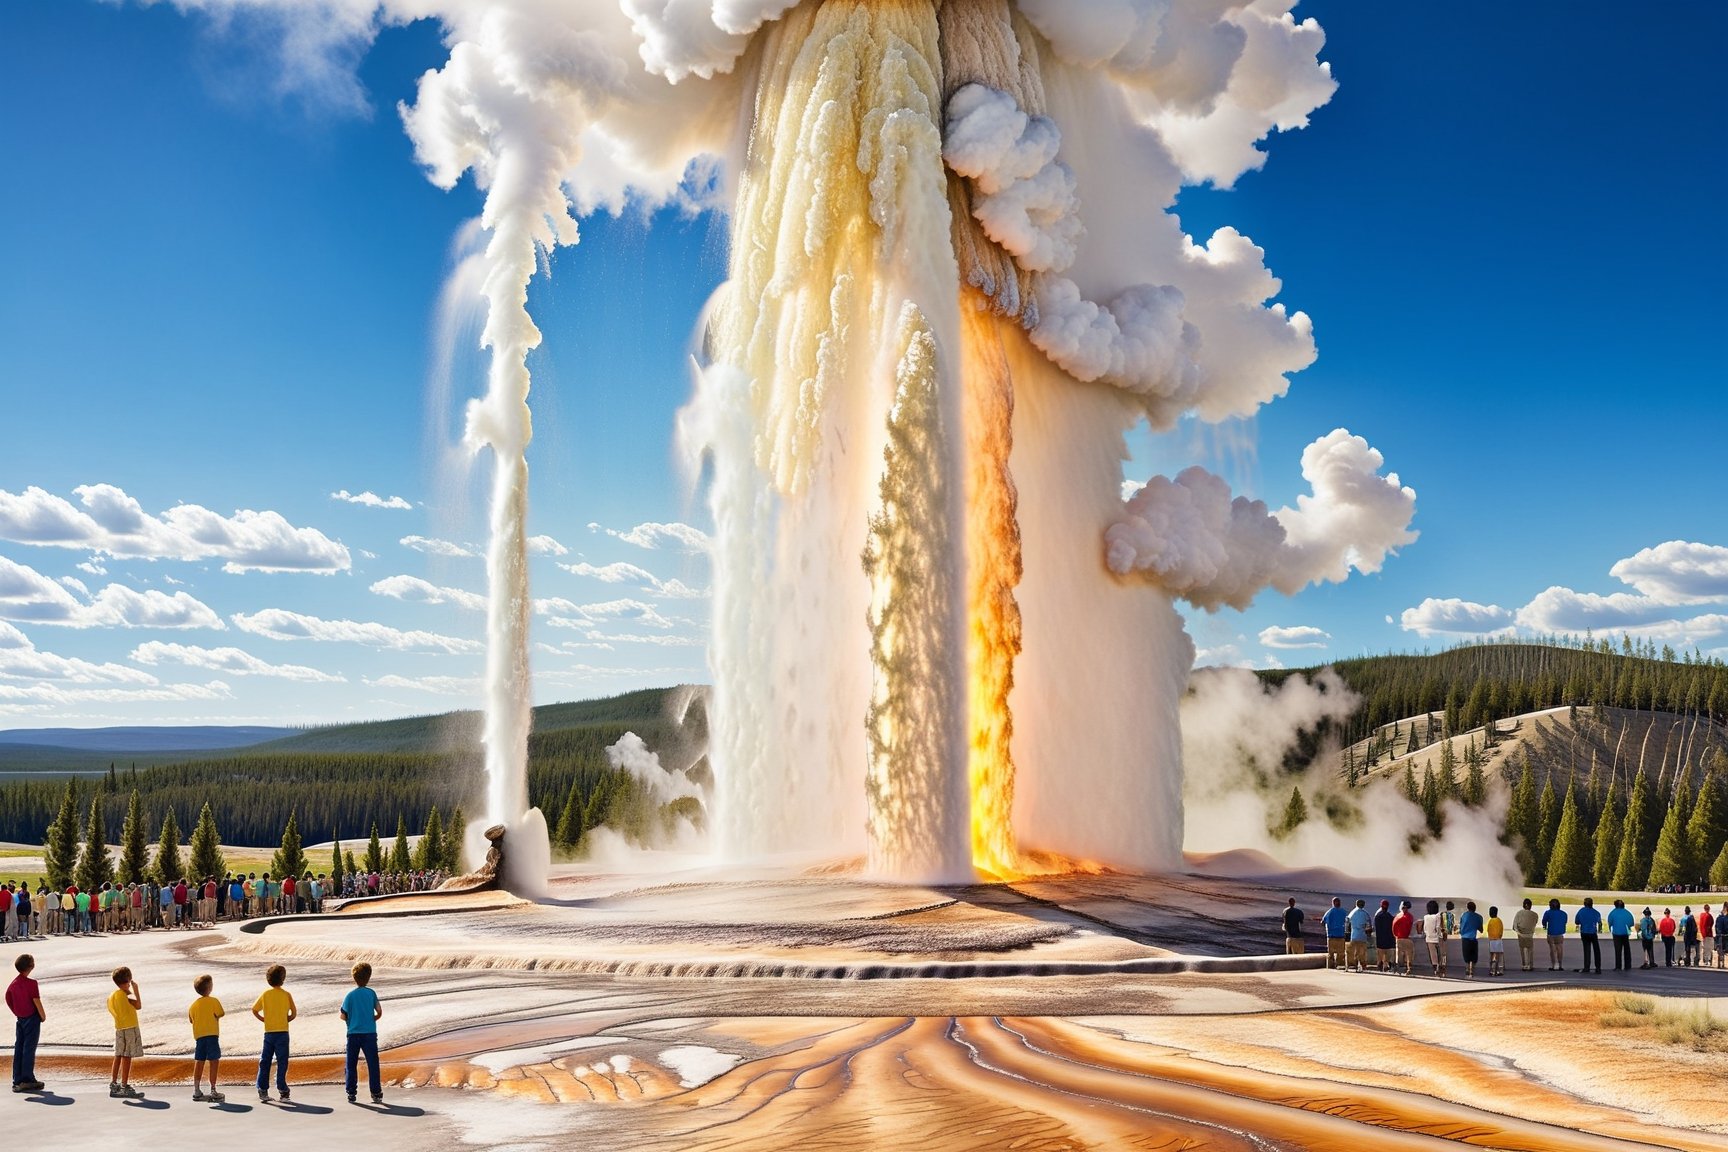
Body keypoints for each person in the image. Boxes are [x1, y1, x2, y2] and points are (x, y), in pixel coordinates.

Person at [340, 962, 385, 1105]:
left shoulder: (350, 995)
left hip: (353, 1034)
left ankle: (351, 1093)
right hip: (370, 1033)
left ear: (354, 978)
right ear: (369, 977)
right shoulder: (371, 993)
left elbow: (343, 1015)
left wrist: (351, 1021)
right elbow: (379, 1011)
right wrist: (373, 1019)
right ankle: (376, 1093)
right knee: (373, 1063)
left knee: (351, 1064)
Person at [252, 964, 297, 1103]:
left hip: (269, 1033)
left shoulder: (265, 994)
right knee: (282, 1062)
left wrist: (264, 1020)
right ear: (283, 979)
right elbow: (294, 1014)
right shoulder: (286, 994)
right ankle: (283, 1090)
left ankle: (262, 1089)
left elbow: (254, 1010)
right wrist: (285, 1019)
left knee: (265, 1061)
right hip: (283, 1032)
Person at [8, 954, 45, 1093]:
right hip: (32, 1018)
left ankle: (17, 1079)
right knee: (29, 1049)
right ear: (31, 966)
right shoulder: (31, 984)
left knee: (19, 1047)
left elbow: (9, 999)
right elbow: (36, 1001)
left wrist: (17, 1012)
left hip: (21, 1019)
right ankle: (28, 1079)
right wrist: (42, 1016)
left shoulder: (14, 983)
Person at [107, 966, 144, 1099]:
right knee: (127, 1057)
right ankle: (124, 1085)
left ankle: (114, 1083)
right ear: (127, 981)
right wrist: (135, 990)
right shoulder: (126, 995)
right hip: (129, 1028)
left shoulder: (113, 995)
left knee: (118, 1055)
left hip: (119, 1028)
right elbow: (139, 1005)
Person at [189, 973, 226, 1104]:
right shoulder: (213, 1001)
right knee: (214, 1061)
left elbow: (190, 1020)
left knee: (199, 1061)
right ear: (209, 988)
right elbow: (221, 1013)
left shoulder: (193, 1005)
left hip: (199, 1037)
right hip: (212, 1035)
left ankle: (197, 1089)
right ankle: (213, 1089)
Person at [1574, 897, 1603, 975]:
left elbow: (1577, 922)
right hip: (1593, 932)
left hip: (1584, 932)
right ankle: (1598, 968)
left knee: (1587, 950)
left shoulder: (1581, 911)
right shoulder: (1596, 912)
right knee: (1596, 950)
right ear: (1592, 904)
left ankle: (1586, 967)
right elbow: (1600, 922)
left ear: (1584, 904)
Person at [1606, 898, 1635, 972]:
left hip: (1616, 933)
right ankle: (1627, 965)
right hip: (1625, 933)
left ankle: (1618, 966)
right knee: (1627, 949)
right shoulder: (1628, 913)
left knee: (1618, 950)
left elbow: (1610, 922)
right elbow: (1631, 923)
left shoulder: (1612, 913)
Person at [1512, 898, 1539, 972]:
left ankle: (1524, 965)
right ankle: (1530, 965)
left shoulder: (1519, 913)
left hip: (1521, 934)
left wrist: (1518, 931)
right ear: (1530, 906)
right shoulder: (1534, 914)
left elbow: (1515, 925)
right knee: (1530, 950)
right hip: (1529, 934)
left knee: (1522, 950)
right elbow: (1535, 923)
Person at [1458, 901, 1484, 978]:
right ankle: (1471, 969)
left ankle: (1467, 968)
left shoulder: (1463, 915)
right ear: (1475, 908)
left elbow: (1461, 927)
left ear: (1467, 908)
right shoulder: (1478, 917)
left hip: (1465, 939)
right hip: (1473, 938)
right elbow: (1481, 929)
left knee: (1466, 956)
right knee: (1473, 956)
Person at [1541, 898, 1568, 972]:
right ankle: (1560, 965)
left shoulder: (1548, 913)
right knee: (1560, 949)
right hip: (1560, 933)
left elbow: (1544, 921)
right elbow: (1565, 921)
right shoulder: (1564, 913)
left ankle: (1553, 965)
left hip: (1551, 933)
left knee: (1552, 950)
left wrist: (1545, 925)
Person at [1322, 897, 1349, 970]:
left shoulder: (1329, 912)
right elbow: (1348, 922)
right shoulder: (1344, 912)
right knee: (1340, 953)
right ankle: (1340, 966)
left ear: (1333, 903)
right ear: (1340, 903)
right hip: (1341, 936)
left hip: (1331, 936)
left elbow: (1323, 922)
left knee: (1330, 954)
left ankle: (1330, 967)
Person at [1422, 900, 1446, 976]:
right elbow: (1438, 927)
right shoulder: (1437, 916)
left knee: (1433, 955)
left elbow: (1425, 928)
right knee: (1442, 954)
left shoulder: (1425, 917)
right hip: (1438, 938)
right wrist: (1441, 935)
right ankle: (1442, 968)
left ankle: (1435, 969)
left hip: (1429, 938)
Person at [1346, 899, 1370, 972]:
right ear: (1363, 905)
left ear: (1356, 904)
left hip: (1354, 935)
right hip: (1362, 936)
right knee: (1362, 952)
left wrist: (1348, 932)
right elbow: (1368, 926)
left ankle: (1353, 965)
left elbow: (1347, 924)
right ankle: (1362, 966)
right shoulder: (1366, 913)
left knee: (1353, 952)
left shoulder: (1352, 913)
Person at [1392, 901, 1415, 975]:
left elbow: (1393, 927)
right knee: (1409, 954)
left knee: (1398, 954)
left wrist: (1395, 935)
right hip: (1407, 938)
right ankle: (1408, 968)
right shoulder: (1410, 916)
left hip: (1399, 938)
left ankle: (1398, 969)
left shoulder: (1398, 916)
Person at [1373, 899, 1395, 974]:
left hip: (1380, 941)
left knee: (1380, 956)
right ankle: (1386, 966)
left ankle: (1379, 966)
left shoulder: (1377, 916)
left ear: (1381, 906)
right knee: (1387, 957)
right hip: (1389, 941)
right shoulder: (1390, 917)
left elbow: (1375, 928)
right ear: (1388, 907)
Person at [1485, 905, 1505, 977]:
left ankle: (1491, 970)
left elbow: (1488, 930)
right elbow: (1501, 930)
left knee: (1491, 956)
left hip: (1491, 940)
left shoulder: (1490, 921)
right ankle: (1498, 970)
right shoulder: (1499, 921)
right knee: (1498, 956)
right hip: (1498, 940)